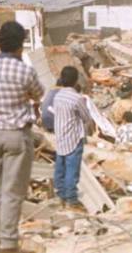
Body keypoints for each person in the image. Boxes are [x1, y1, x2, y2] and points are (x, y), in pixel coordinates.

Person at [0, 21, 44, 253]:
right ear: (20, 45)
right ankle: (7, 242)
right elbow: (39, 94)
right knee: (13, 191)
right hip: (16, 134)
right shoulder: (25, 71)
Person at [52, 66, 94, 210]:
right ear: (75, 80)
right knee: (72, 169)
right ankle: (71, 199)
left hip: (60, 136)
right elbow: (86, 117)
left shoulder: (57, 96)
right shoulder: (76, 98)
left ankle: (60, 194)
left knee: (60, 167)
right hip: (73, 138)